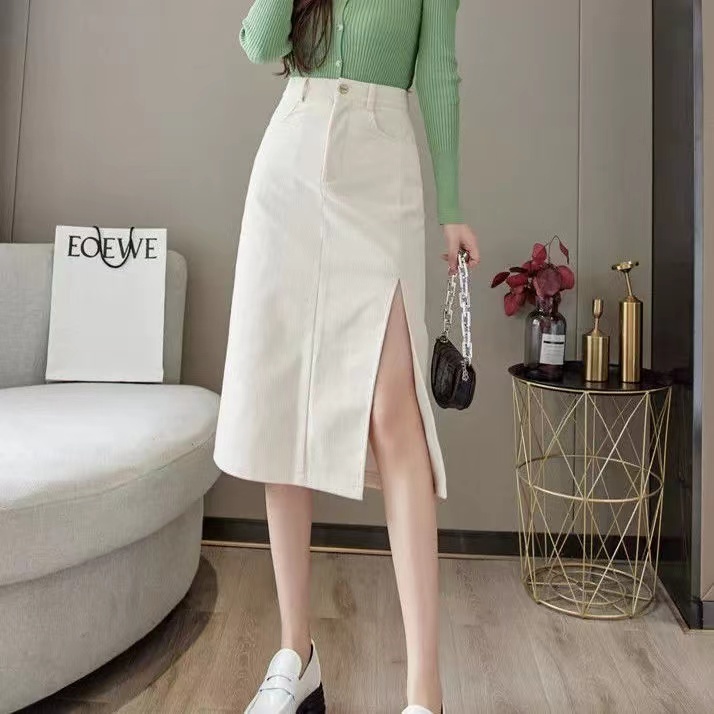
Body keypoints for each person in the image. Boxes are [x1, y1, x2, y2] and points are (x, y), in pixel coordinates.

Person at [213, 1, 480, 712]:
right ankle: (294, 654)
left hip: (380, 165)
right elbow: (259, 43)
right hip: (291, 161)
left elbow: (439, 72)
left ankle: (424, 692)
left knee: (394, 411)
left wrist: (452, 206)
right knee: (283, 404)